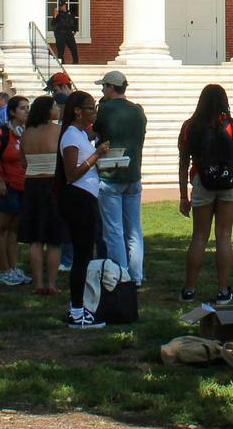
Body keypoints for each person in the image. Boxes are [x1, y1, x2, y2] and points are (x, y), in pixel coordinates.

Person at [176, 84, 233, 305]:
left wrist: (183, 196)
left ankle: (189, 290)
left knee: (199, 236)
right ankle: (223, 291)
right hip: (228, 182)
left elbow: (184, 161)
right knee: (224, 236)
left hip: (202, 180)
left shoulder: (190, 126)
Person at [58, 90, 108, 328]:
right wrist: (97, 155)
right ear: (77, 111)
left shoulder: (81, 134)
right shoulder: (70, 136)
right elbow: (71, 174)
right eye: (90, 108)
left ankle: (77, 308)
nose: (94, 112)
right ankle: (77, 311)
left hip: (88, 197)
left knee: (85, 255)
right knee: (81, 257)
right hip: (78, 199)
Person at [94, 71, 148, 286]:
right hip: (133, 173)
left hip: (111, 174)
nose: (102, 91)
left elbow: (96, 133)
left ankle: (121, 275)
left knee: (113, 230)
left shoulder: (105, 110)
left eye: (103, 87)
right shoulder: (138, 111)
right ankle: (136, 276)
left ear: (110, 87)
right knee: (134, 229)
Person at [18, 95, 65, 297]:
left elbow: (23, 163)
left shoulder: (26, 133)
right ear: (47, 110)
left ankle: (38, 283)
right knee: (54, 238)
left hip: (32, 184)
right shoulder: (59, 131)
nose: (58, 109)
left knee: (35, 239)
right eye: (54, 106)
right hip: (53, 183)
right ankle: (52, 284)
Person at [0, 94, 31, 285]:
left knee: (14, 230)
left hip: (22, 185)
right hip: (5, 186)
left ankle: (13, 267)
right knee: (0, 228)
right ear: (12, 112)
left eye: (28, 107)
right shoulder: (1, 133)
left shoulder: (25, 132)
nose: (27, 111)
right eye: (22, 108)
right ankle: (3, 269)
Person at [52, 0, 79, 65]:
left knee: (73, 47)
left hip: (69, 33)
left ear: (65, 5)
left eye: (63, 6)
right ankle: (62, 63)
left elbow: (74, 22)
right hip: (60, 34)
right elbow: (53, 24)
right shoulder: (58, 14)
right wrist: (54, 16)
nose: (61, 7)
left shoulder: (70, 13)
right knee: (60, 50)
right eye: (60, 6)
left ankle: (75, 62)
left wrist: (75, 30)